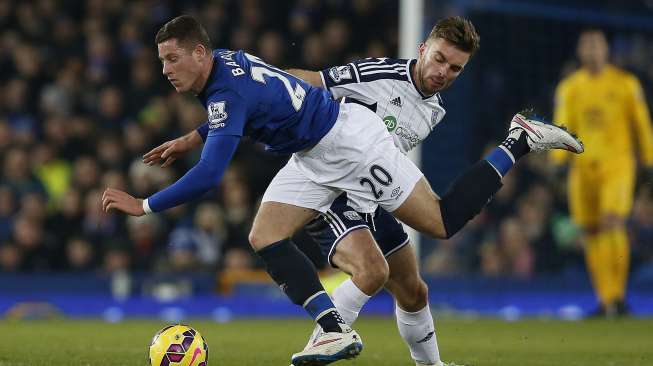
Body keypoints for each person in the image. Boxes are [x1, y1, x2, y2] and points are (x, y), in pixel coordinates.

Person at [104, 15, 582, 366]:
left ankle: (518, 140)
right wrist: (177, 160)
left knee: (423, 257)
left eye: (454, 69)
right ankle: (332, 330)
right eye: (439, 60)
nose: (443, 73)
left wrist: (147, 200)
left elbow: (244, 109)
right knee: (269, 235)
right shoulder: (371, 75)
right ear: (422, 49)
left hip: (351, 154)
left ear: (201, 54)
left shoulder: (435, 109)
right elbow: (301, 84)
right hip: (331, 151)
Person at [550, 29, 653, 317]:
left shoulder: (625, 84)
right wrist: (558, 162)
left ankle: (618, 297)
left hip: (617, 166)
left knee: (612, 222)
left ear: (606, 49)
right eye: (587, 46)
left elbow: (641, 124)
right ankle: (605, 299)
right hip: (582, 170)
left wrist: (649, 159)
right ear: (580, 51)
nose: (592, 50)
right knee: (591, 230)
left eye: (597, 45)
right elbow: (561, 126)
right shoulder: (570, 88)